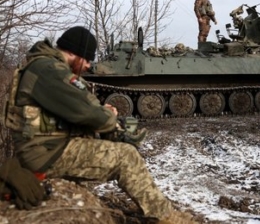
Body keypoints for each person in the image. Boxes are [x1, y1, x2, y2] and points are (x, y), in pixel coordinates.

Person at [3, 26, 197, 224]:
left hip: (46, 146)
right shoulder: (49, 69)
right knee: (126, 157)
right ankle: (167, 218)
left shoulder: (43, 67)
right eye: (86, 59)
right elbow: (85, 111)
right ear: (72, 52)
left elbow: (74, 109)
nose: (88, 65)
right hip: (46, 153)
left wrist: (101, 115)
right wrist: (108, 118)